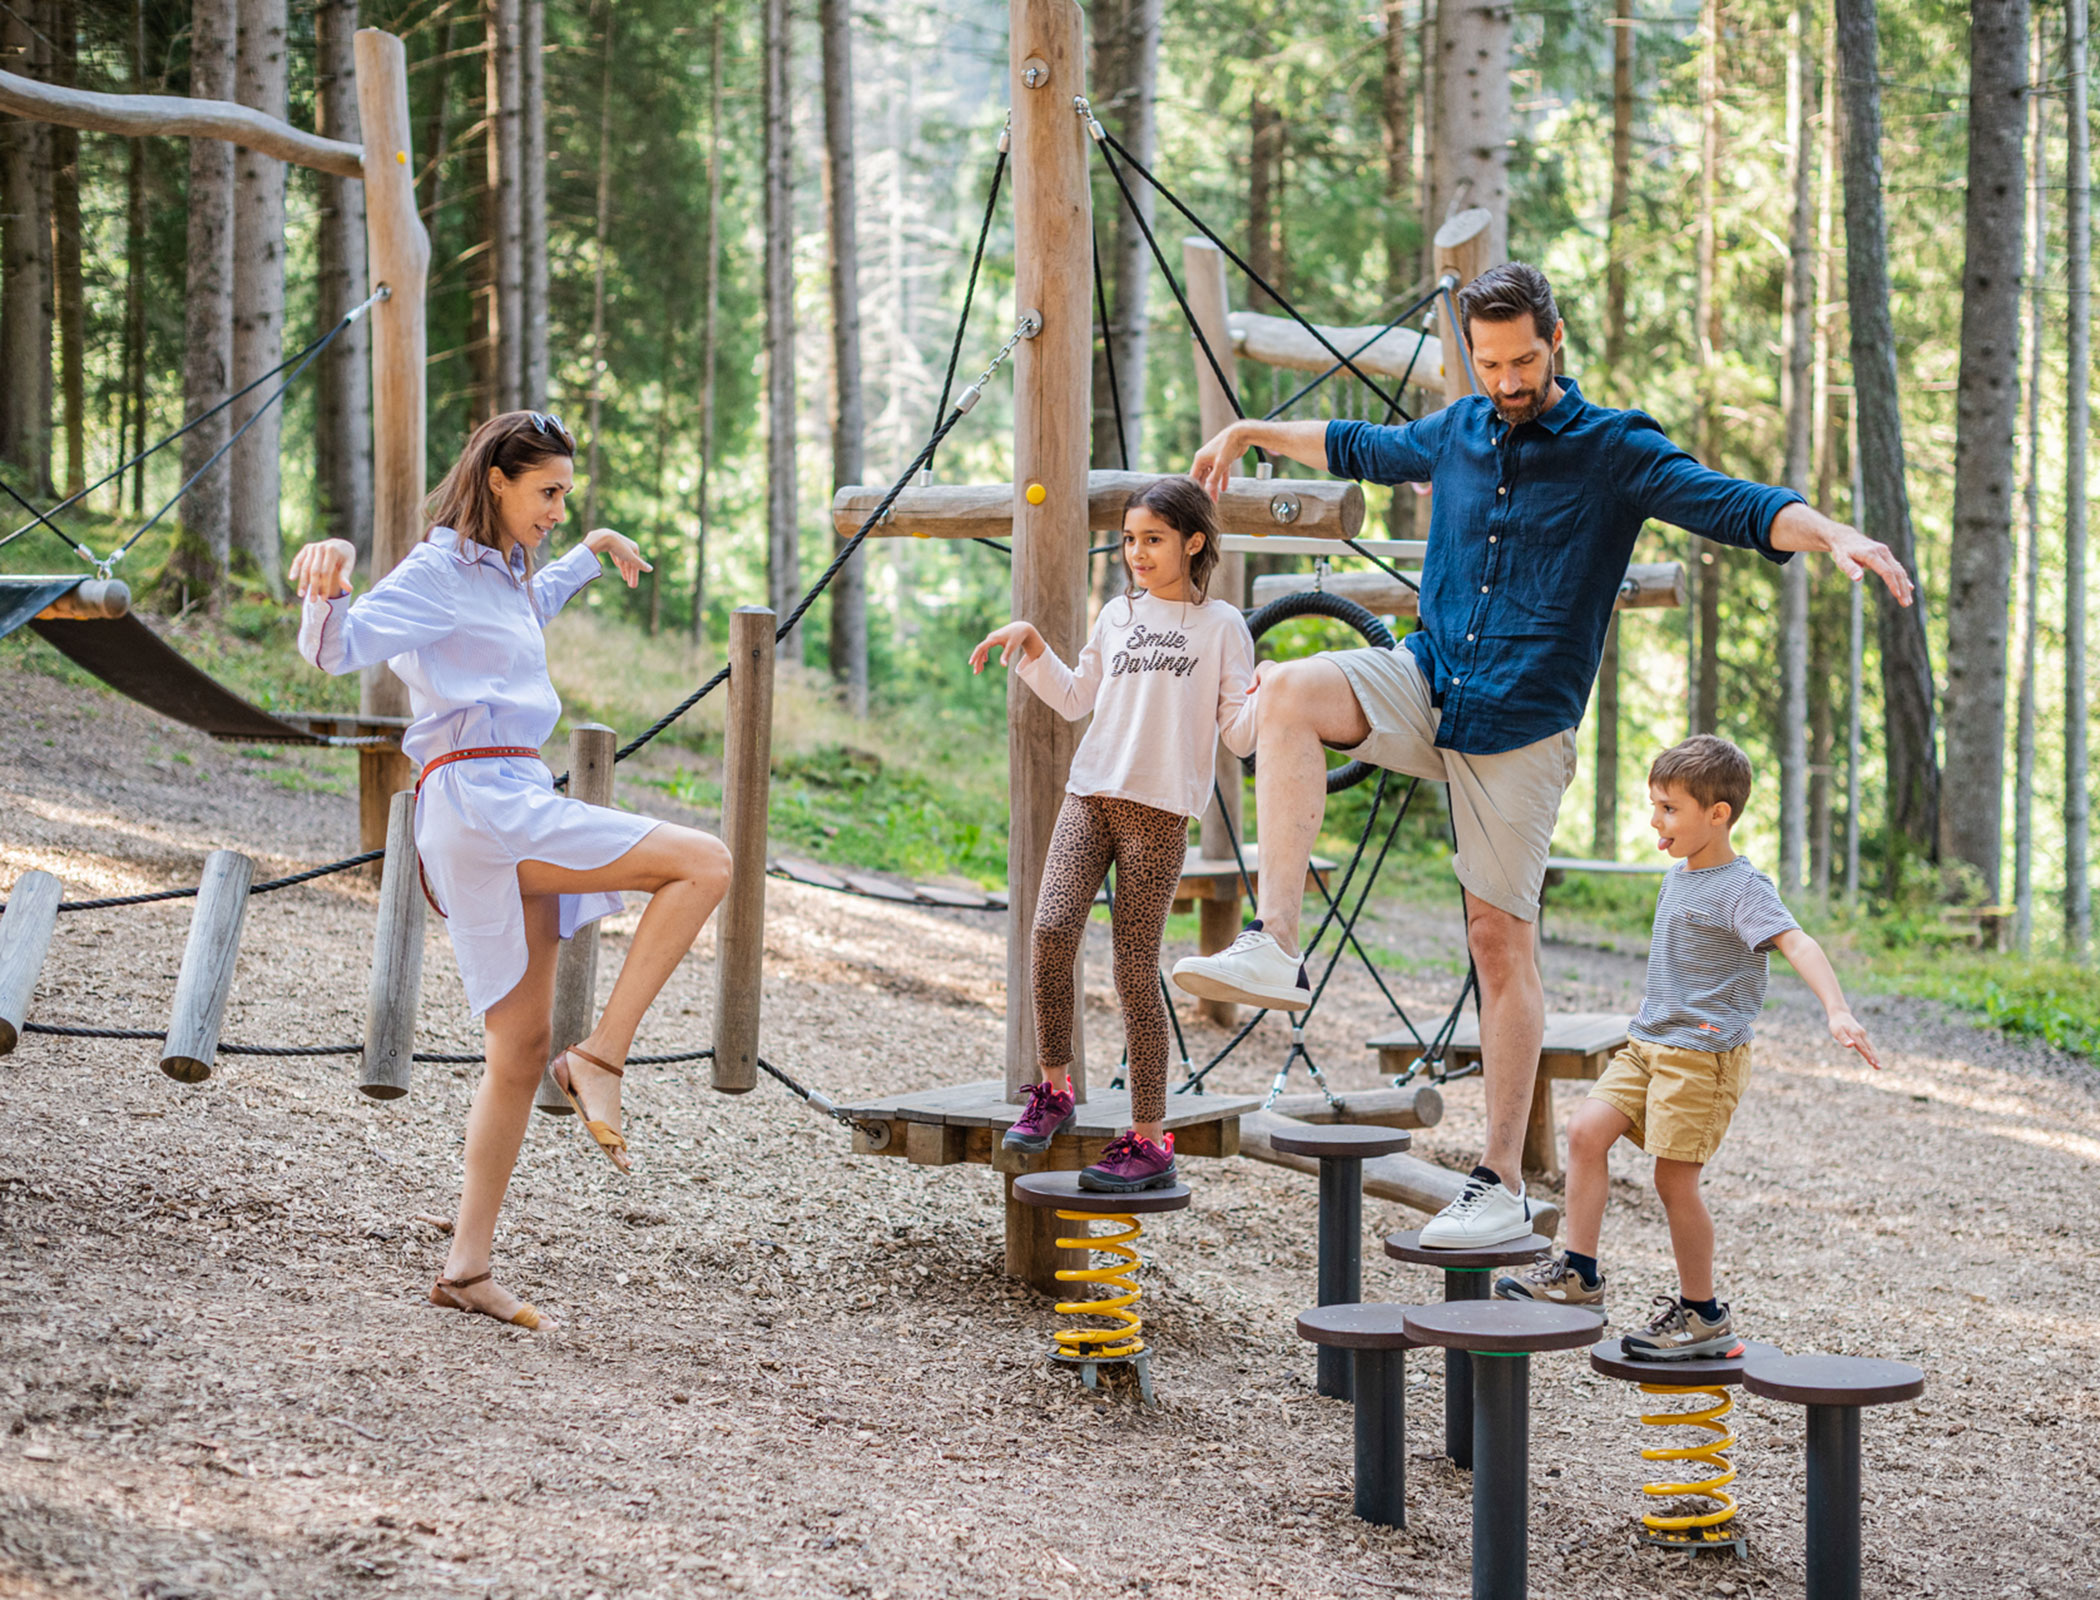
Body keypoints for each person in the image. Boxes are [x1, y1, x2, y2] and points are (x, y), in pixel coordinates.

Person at [1167, 262, 1915, 1248]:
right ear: (1471, 357)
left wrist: (1829, 533)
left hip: (1522, 726)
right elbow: (1361, 444)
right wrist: (1253, 431)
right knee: (1292, 688)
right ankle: (1275, 942)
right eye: (1490, 363)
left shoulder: (1612, 447)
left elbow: (1730, 501)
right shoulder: (1461, 430)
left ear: (1555, 343)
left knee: (1497, 944)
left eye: (1524, 360)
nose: (1508, 379)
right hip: (1430, 679)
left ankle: (1497, 1180)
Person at [290, 410, 731, 1330]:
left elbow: (520, 615)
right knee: (703, 863)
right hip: (481, 805)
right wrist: (326, 577)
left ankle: (466, 1268)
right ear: (497, 479)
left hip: (503, 799)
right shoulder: (436, 571)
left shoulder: (506, 573)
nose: (560, 511)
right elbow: (336, 650)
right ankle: (601, 1057)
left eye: (568, 496)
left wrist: (588, 554)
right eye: (550, 494)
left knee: (516, 1054)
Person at [1493, 736, 1880, 1357]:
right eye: (1655, 805)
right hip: (1647, 1044)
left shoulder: (1742, 888)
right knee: (1587, 1133)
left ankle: (1703, 1315)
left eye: (1669, 808)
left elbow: (1798, 943)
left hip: (1701, 1057)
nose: (1656, 820)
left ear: (1717, 814)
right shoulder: (1678, 876)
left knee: (1674, 1181)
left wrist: (1837, 1009)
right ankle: (1579, 1275)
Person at [970, 478, 1257, 1192]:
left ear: (1193, 541)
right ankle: (1055, 1089)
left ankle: (1151, 1138)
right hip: (1091, 794)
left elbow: (1239, 734)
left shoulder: (1223, 626)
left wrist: (1274, 700)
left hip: (1159, 812)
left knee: (1135, 970)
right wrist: (1033, 646)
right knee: (1051, 931)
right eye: (1130, 539)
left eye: (1152, 539)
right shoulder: (1117, 615)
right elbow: (1075, 698)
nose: (1137, 552)